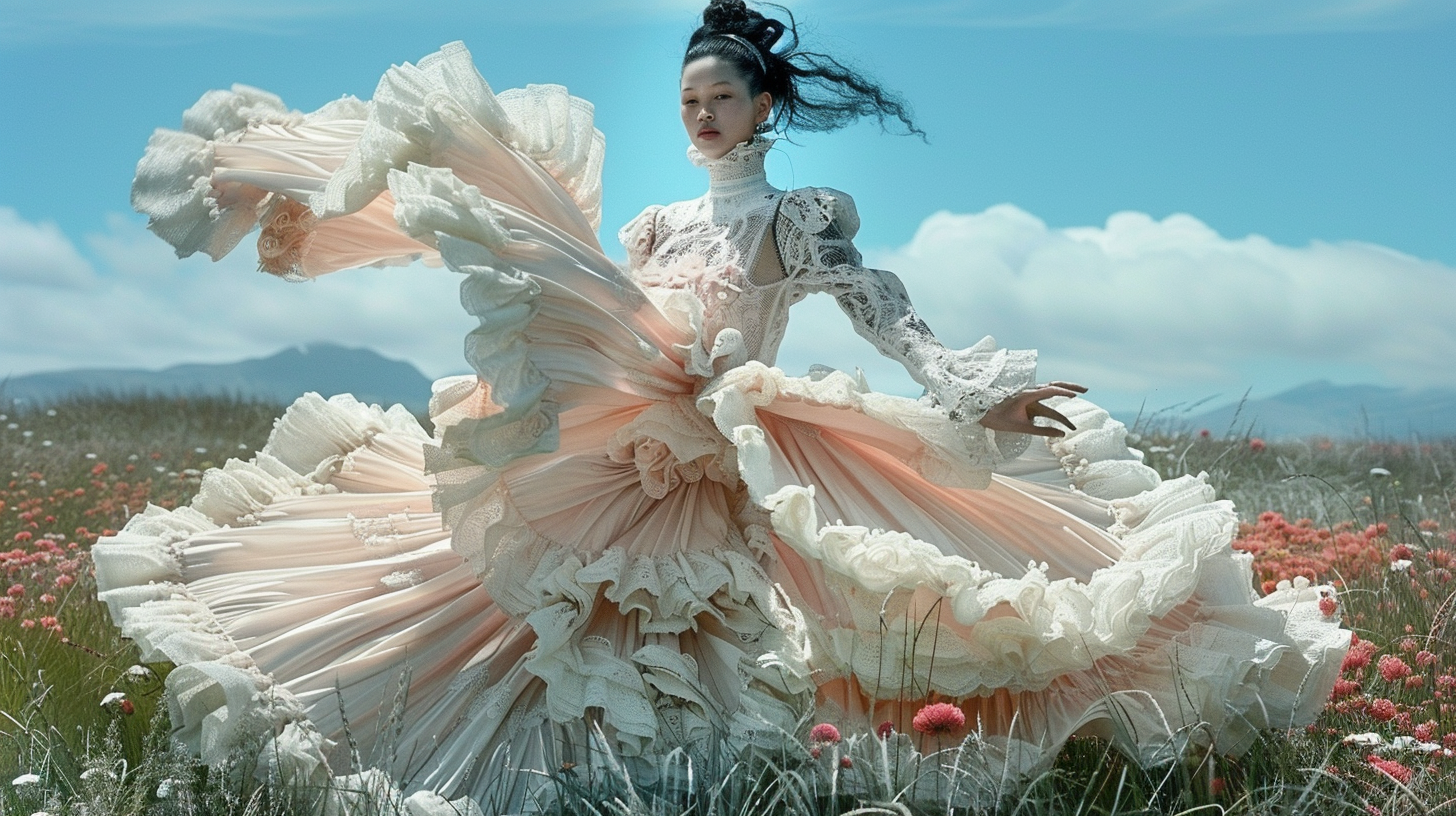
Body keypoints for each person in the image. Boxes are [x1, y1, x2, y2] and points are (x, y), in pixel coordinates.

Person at [95, 0, 1350, 810]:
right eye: (685, 103)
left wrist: (980, 390)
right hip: (634, 439)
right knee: (530, 592)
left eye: (718, 101)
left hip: (739, 436)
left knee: (780, 623)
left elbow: (883, 316)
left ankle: (737, 776)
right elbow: (618, 318)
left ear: (765, 109)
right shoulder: (656, 218)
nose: (697, 118)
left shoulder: (798, 219)